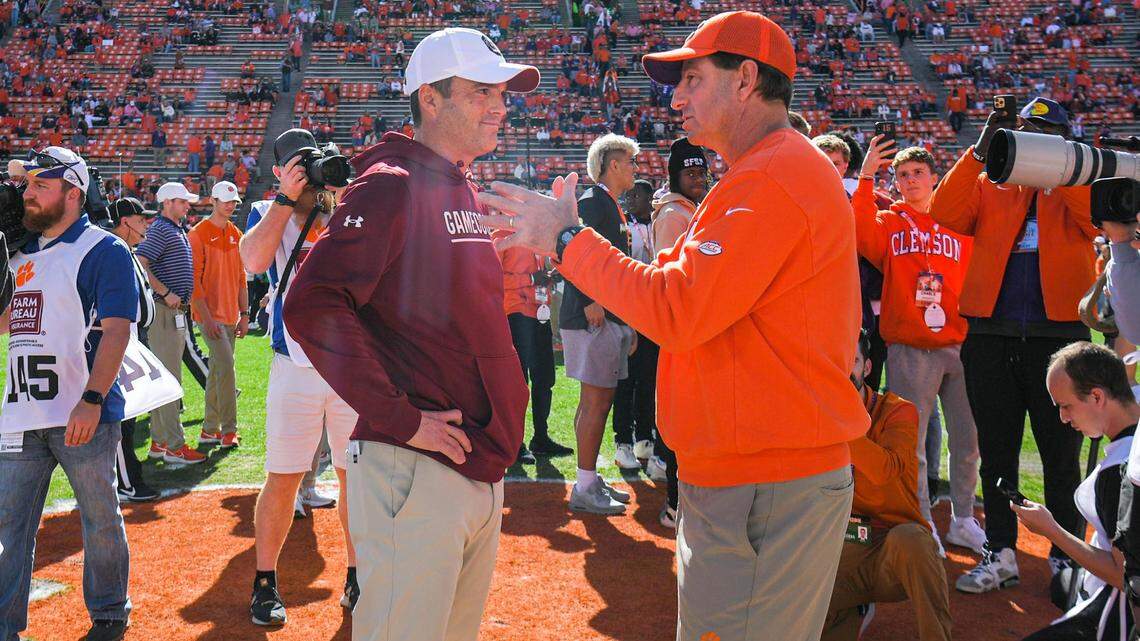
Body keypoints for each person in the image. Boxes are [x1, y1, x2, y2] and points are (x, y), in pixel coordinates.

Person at [477, 11, 867, 639]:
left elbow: (677, 309)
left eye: (691, 78)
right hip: (754, 468)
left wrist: (566, 238)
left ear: (746, 80)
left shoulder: (769, 176)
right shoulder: (762, 170)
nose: (675, 96)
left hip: (764, 476)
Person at [283, 27, 539, 641]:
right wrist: (401, 419)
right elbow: (313, 303)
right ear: (430, 97)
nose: (500, 106)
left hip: (470, 461)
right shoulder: (394, 182)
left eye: (502, 92)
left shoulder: (456, 185)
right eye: (482, 91)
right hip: (418, 463)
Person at [930, 96, 1098, 593]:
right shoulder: (991, 182)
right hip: (989, 335)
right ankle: (1000, 550)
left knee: (1061, 455)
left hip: (1059, 336)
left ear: (1065, 139)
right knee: (997, 454)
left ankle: (1067, 556)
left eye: (1047, 135)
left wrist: (1058, 169)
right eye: (1026, 133)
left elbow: (1092, 223)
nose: (1034, 144)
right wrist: (983, 148)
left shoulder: (1079, 181)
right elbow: (945, 211)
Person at [0, 147, 138, 641]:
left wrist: (94, 398)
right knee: (8, 529)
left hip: (82, 409)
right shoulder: (17, 253)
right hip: (20, 411)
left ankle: (107, 612)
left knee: (99, 519)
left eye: (40, 185)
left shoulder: (104, 249)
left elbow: (117, 329)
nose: (27, 194)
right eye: (26, 185)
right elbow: (6, 326)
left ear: (72, 193)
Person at [239, 131, 359, 626]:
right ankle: (265, 580)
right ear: (279, 173)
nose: (307, 173)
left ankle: (357, 573)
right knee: (284, 477)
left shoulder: (346, 206)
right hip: (296, 364)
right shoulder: (270, 211)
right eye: (296, 166)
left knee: (358, 478)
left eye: (310, 163)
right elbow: (252, 260)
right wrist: (288, 201)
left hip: (353, 367)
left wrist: (338, 202)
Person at [854, 142, 983, 555]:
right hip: (911, 346)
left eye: (917, 173)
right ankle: (922, 519)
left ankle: (963, 518)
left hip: (960, 342)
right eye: (903, 175)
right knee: (912, 444)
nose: (910, 181)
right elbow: (857, 229)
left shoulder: (960, 220)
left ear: (934, 177)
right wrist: (867, 174)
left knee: (968, 437)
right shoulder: (889, 222)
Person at [823, 331, 951, 641]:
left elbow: (885, 470)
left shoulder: (898, 410)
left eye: (851, 361)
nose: (844, 371)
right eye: (835, 362)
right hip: (839, 551)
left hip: (892, 549)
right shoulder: (809, 414)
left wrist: (837, 421)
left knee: (913, 540)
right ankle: (853, 611)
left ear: (866, 367)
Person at [1014, 342, 1136, 640]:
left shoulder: (1119, 475)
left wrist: (1052, 530)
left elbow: (1125, 577)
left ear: (1097, 396)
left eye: (1066, 406)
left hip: (1117, 618)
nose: (1063, 418)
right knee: (1062, 584)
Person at [559, 132, 638, 515]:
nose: (636, 168)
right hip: (592, 314)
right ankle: (585, 483)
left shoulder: (605, 202)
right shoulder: (593, 201)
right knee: (596, 400)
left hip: (605, 314)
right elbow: (572, 247)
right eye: (631, 161)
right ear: (613, 164)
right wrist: (590, 298)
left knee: (596, 400)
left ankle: (587, 478)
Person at [646, 138, 710, 526]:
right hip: (681, 325)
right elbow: (671, 277)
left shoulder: (690, 209)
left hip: (690, 323)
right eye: (689, 173)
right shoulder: (674, 214)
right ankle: (675, 502)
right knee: (684, 417)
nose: (698, 179)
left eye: (701, 172)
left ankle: (680, 499)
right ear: (675, 177)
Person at [136, 182, 206, 464]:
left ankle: (159, 442)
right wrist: (165, 292)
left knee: (166, 379)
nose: (187, 206)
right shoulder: (163, 229)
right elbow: (141, 261)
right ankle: (174, 446)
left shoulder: (173, 229)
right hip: (165, 310)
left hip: (172, 311)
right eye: (182, 201)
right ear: (167, 203)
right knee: (170, 380)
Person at [97, 197, 160, 503]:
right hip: (122, 341)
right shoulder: (114, 250)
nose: (145, 224)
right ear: (125, 222)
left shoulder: (129, 251)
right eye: (140, 219)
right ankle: (127, 482)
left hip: (135, 339)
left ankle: (127, 475)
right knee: (122, 415)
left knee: (132, 412)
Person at [498, 246, 574, 463]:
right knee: (519, 382)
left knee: (545, 377)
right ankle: (514, 443)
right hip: (515, 312)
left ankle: (540, 438)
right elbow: (494, 278)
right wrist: (532, 278)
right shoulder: (503, 232)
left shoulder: (534, 232)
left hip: (540, 310)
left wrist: (546, 277)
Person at [187, 180, 248, 449]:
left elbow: (241, 278)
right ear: (212, 201)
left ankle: (209, 429)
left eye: (233, 201)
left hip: (230, 315)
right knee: (227, 370)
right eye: (225, 200)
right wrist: (207, 317)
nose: (230, 205)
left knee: (217, 372)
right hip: (209, 316)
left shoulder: (237, 233)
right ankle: (228, 430)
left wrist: (245, 313)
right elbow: (194, 282)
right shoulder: (197, 233)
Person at [612, 180, 657, 466]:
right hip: (629, 309)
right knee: (625, 380)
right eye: (632, 194)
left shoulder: (659, 223)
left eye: (641, 195)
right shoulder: (624, 226)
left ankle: (644, 438)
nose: (635, 199)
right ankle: (622, 441)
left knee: (649, 379)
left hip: (653, 313)